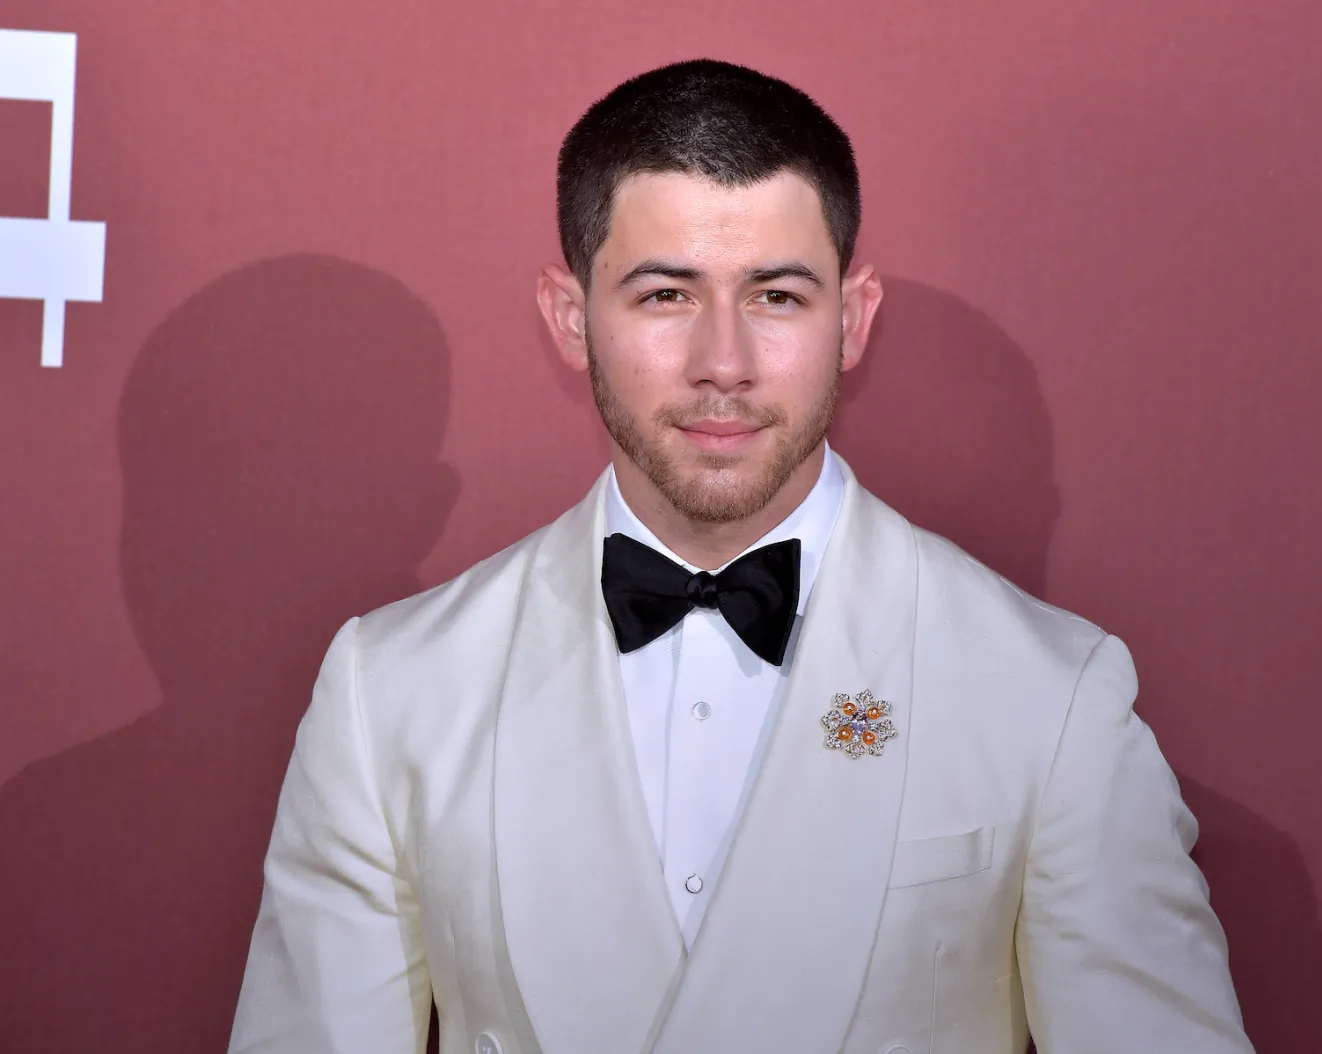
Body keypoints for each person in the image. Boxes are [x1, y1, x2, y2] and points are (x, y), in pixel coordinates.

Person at [229, 58, 1251, 1054]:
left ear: (852, 318)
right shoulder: (390, 690)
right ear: (569, 317)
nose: (724, 364)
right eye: (666, 296)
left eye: (776, 297)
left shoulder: (1050, 692)